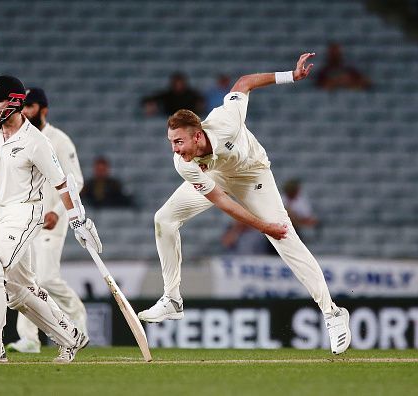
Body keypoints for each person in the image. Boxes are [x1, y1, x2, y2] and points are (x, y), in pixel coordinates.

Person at [137, 53, 351, 355]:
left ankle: (332, 313)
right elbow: (221, 201)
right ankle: (172, 299)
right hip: (218, 176)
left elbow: (244, 82)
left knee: (286, 238)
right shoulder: (183, 162)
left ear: (197, 135)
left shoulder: (225, 121)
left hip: (253, 175)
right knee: (164, 219)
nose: (174, 149)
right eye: (171, 142)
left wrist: (291, 75)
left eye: (179, 142)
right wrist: (262, 226)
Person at [0, 75, 102, 363]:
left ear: (14, 102)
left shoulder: (36, 141)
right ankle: (70, 336)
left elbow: (62, 184)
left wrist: (77, 220)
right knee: (18, 289)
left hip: (26, 211)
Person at [7, 87, 88, 353]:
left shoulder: (59, 140)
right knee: (26, 277)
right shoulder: (21, 138)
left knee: (47, 278)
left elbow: (76, 180)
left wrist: (58, 211)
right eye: (23, 107)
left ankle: (79, 323)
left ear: (44, 110)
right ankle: (29, 339)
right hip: (29, 216)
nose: (25, 112)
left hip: (54, 217)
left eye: (30, 107)